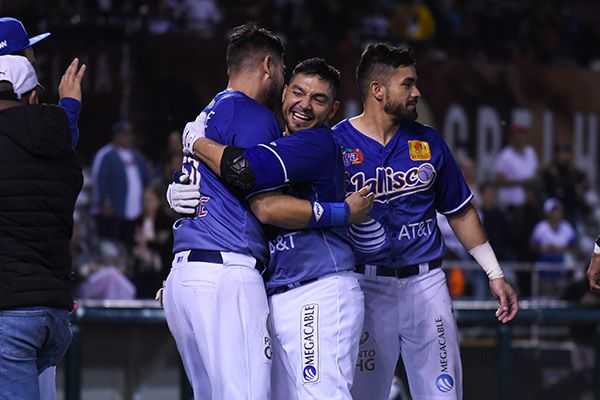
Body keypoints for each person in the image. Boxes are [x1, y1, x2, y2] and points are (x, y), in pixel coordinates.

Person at [331, 43, 518, 400]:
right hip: (365, 286)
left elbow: (460, 211)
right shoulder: (336, 143)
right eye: (408, 83)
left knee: (443, 394)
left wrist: (494, 273)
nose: (417, 92)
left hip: (426, 283)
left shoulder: (428, 141)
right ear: (378, 90)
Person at [184, 58, 373, 399]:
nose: (304, 104)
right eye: (298, 92)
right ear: (284, 92)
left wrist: (195, 143)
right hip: (281, 293)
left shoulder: (316, 143)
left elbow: (261, 199)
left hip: (318, 289)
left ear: (333, 110)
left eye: (318, 99)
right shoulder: (273, 138)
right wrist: (188, 191)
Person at [162, 22, 286, 400]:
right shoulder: (252, 114)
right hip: (226, 274)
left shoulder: (208, 113)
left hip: (185, 275)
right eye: (282, 68)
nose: (283, 77)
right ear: (267, 65)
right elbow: (264, 198)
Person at [0, 53, 86, 400]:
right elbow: (62, 134)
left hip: (11, 315)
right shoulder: (61, 145)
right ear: (34, 96)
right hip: (53, 313)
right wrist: (69, 106)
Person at [90, 120, 151, 248]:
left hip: (136, 211)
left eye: (129, 134)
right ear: (116, 136)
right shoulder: (106, 154)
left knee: (131, 245)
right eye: (124, 134)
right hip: (114, 211)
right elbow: (100, 179)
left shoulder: (137, 156)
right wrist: (105, 201)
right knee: (112, 245)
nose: (127, 137)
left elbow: (147, 179)